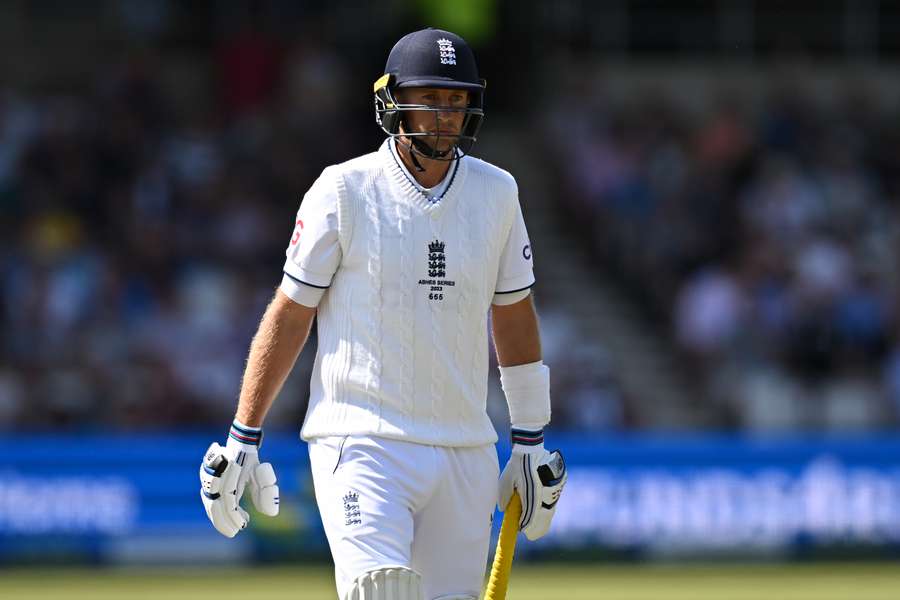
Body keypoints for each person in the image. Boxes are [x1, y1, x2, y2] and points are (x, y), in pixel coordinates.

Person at [199, 28, 567, 600]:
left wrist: (530, 439)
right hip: (363, 441)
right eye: (430, 99)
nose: (445, 115)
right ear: (392, 100)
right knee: (381, 589)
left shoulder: (498, 192)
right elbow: (290, 313)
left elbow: (514, 314)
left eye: (456, 100)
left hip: (464, 445)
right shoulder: (343, 190)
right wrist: (242, 435)